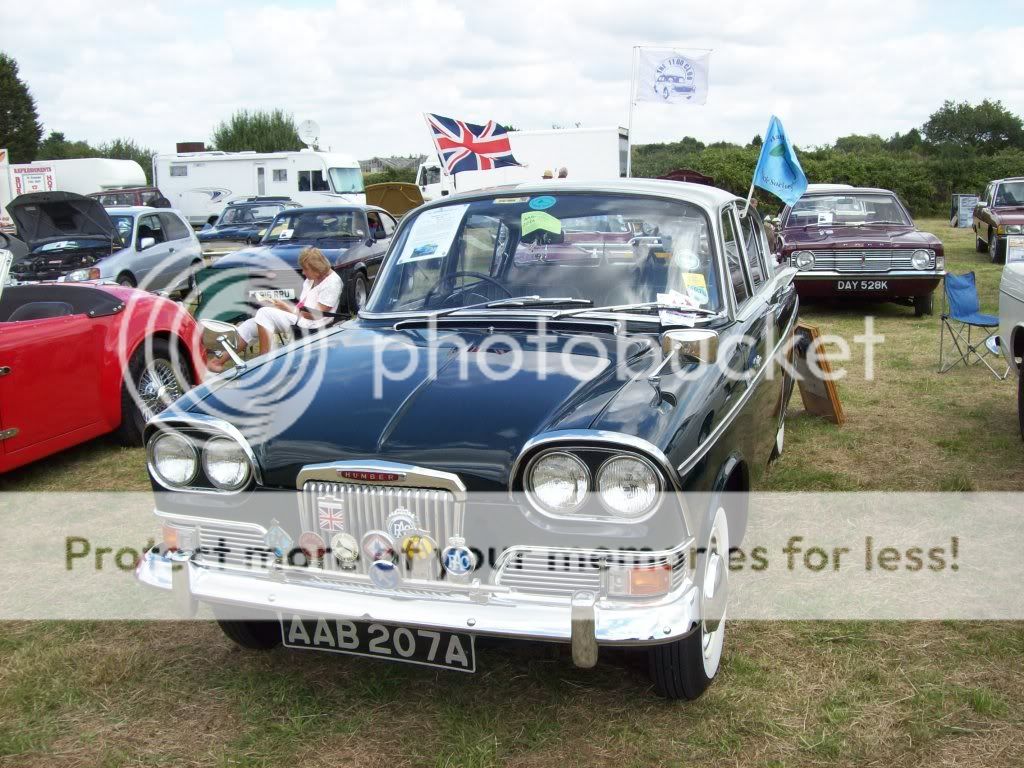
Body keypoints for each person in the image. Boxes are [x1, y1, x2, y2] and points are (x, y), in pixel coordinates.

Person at [207, 247, 343, 373]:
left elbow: (316, 315)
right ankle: (219, 361)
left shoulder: (332, 283)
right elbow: (303, 305)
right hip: (301, 317)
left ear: (317, 269)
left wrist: (287, 308)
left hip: (314, 322)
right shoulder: (311, 279)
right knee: (249, 325)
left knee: (264, 313)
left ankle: (265, 362)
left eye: (306, 269)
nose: (303, 272)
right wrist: (282, 306)